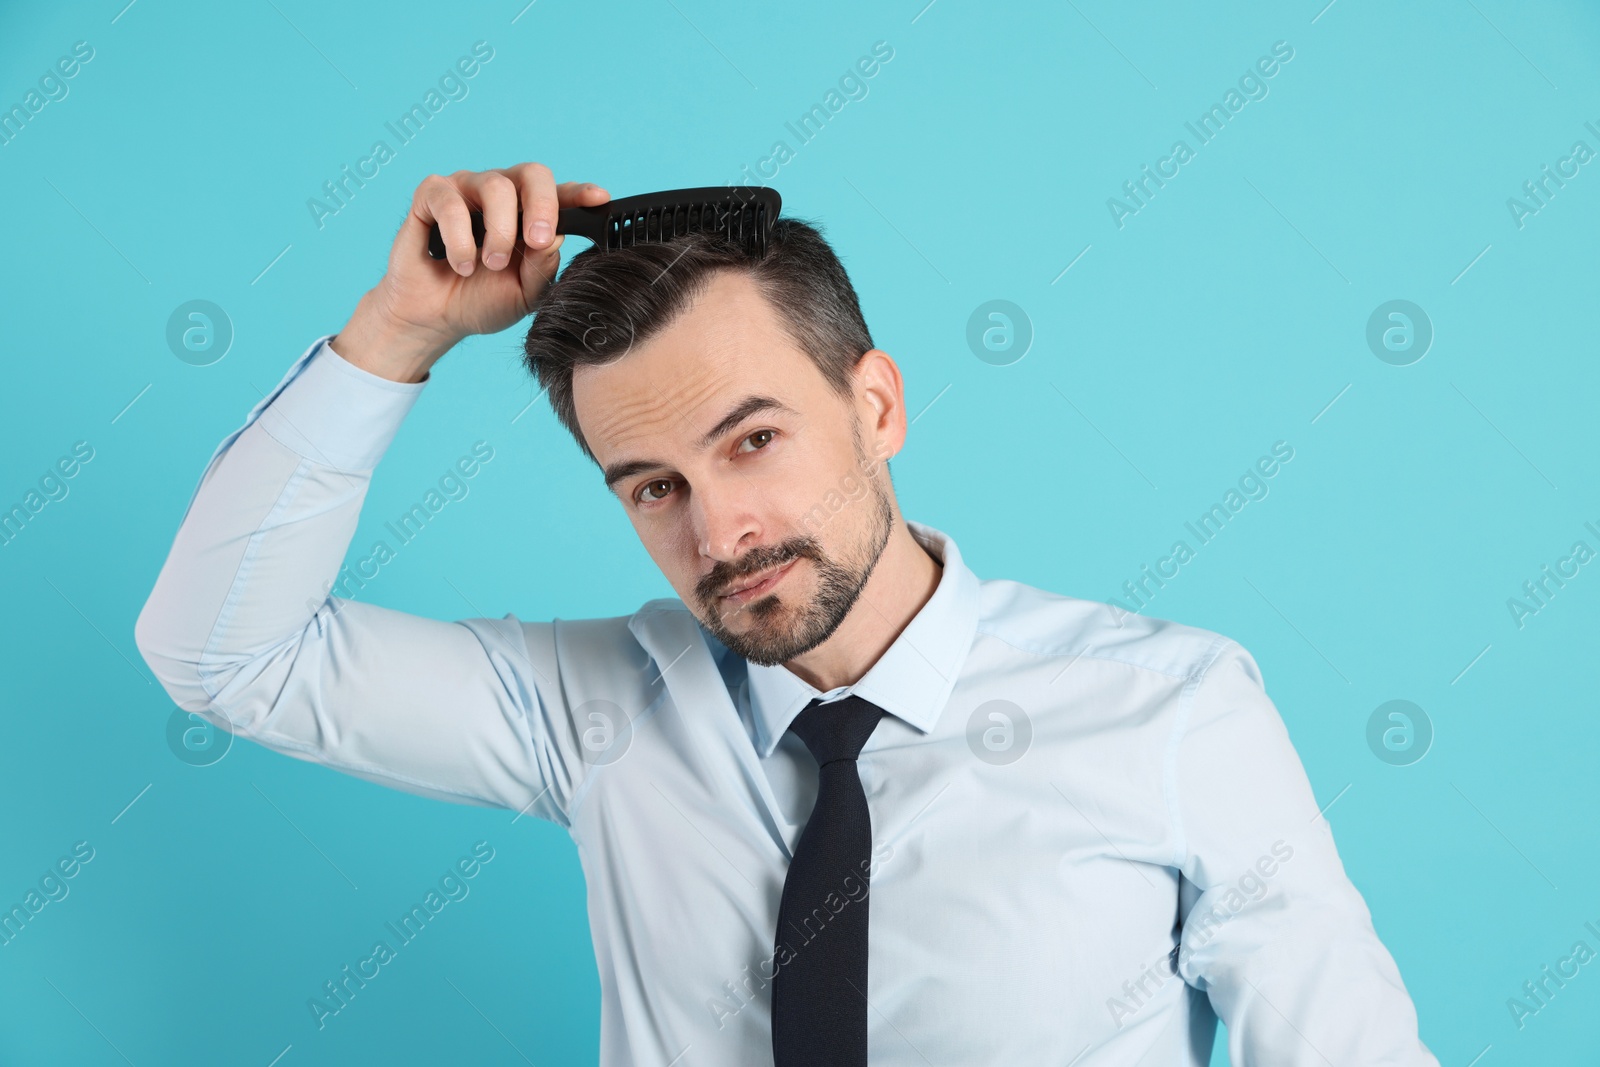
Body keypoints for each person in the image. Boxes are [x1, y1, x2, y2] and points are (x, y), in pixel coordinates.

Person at [135, 162, 1439, 1066]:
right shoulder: (590, 708)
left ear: (876, 408)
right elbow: (220, 655)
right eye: (653, 487)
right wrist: (396, 332)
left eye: (753, 440)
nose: (718, 533)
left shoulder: (1173, 709)